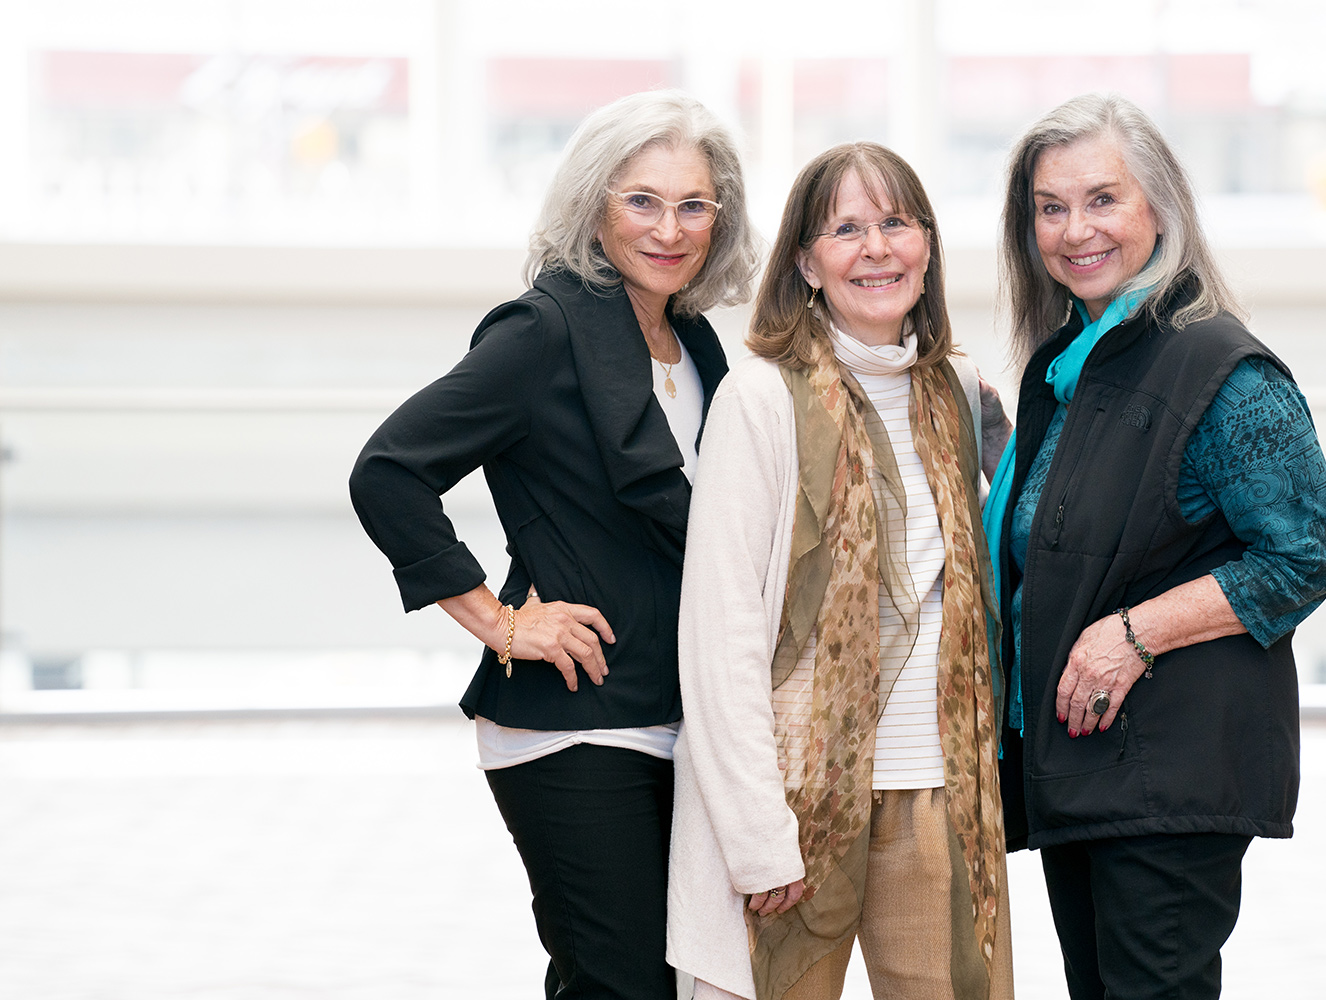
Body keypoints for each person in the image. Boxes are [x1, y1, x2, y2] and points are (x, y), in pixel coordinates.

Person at [348, 90, 757, 1000]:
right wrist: (502, 623)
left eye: (694, 205)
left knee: (671, 981)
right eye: (641, 201)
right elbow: (388, 471)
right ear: (592, 206)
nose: (670, 228)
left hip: (682, 715)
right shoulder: (541, 330)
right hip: (571, 720)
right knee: (618, 984)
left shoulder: (697, 344)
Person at [984, 93, 1326, 1000]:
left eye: (1103, 199)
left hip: (1164, 777)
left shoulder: (1218, 365)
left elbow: (1305, 551)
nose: (1075, 231)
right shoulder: (1070, 364)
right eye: (1050, 208)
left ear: (1160, 207)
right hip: (1085, 772)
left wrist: (1134, 633)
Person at [668, 142, 1014, 1000]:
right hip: (793, 799)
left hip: (941, 795)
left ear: (927, 247)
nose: (876, 249)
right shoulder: (760, 398)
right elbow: (721, 632)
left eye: (897, 223)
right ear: (805, 263)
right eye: (846, 229)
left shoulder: (960, 391)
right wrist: (756, 836)